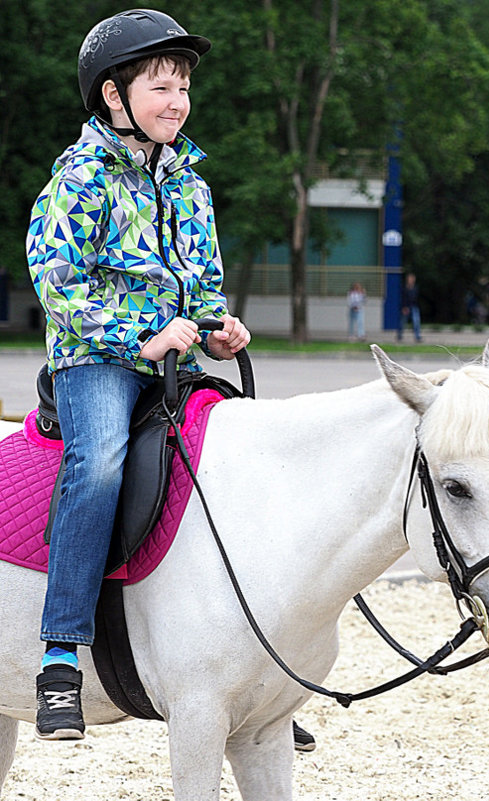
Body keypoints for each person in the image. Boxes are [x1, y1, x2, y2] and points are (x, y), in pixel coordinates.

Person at [25, 9, 252, 741]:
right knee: (99, 466)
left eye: (183, 87)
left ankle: (248, 667)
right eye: (160, 86)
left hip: (175, 360)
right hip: (98, 359)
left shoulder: (190, 182)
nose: (177, 101)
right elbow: (55, 277)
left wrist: (220, 328)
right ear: (115, 98)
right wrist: (140, 338)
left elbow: (203, 282)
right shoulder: (81, 175)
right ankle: (60, 657)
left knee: (243, 460)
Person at [397, 272, 421, 342]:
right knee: (402, 322)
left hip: (414, 307)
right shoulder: (404, 288)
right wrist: (404, 307)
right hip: (406, 307)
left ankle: (417, 336)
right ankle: (399, 335)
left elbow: (416, 298)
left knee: (416, 322)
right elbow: (402, 298)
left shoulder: (416, 288)